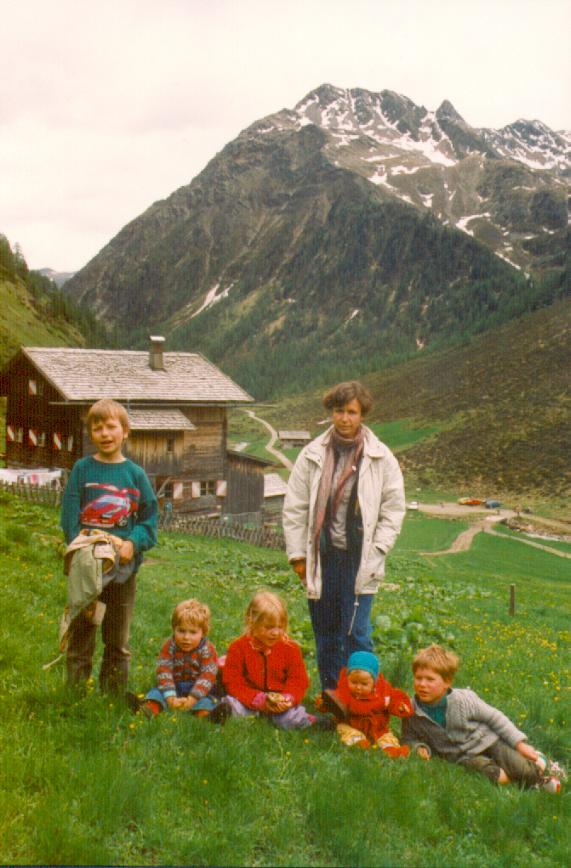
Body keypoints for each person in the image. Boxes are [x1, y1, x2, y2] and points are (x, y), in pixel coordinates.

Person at [282, 380, 405, 690]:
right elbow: (295, 507)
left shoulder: (381, 458)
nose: (345, 419)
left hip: (360, 560)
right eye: (339, 411)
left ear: (362, 414)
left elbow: (393, 510)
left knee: (357, 632)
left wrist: (378, 551)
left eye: (352, 412)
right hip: (323, 558)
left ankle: (366, 704)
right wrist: (298, 556)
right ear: (331, 413)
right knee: (325, 632)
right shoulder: (312, 454)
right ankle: (331, 698)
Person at [61, 399, 158, 693]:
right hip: (87, 568)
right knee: (82, 632)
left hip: (122, 570)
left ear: (125, 432)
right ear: (90, 433)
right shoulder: (82, 469)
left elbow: (149, 519)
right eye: (97, 427)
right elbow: (69, 517)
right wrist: (81, 550)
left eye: (111, 427)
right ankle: (75, 695)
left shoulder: (135, 475)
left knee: (117, 638)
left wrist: (133, 542)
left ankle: (112, 697)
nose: (104, 433)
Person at [402, 645, 564, 792]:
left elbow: (496, 718)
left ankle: (541, 767)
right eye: (418, 678)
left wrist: (519, 744)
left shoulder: (464, 700)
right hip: (463, 757)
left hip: (489, 742)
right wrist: (418, 747)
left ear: (447, 682)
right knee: (495, 775)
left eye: (430, 679)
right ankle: (523, 778)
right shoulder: (410, 709)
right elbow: (408, 737)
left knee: (522, 769)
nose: (422, 684)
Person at [216, 591, 333, 730]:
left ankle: (310, 722)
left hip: (280, 703)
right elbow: (233, 681)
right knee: (235, 706)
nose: (275, 632)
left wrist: (288, 699)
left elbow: (298, 680)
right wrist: (258, 699)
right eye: (269, 627)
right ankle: (224, 711)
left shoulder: (290, 649)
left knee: (288, 719)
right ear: (251, 622)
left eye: (280, 627)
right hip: (249, 700)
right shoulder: (239, 647)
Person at [127, 599, 219, 717]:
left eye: (193, 632)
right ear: (174, 629)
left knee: (207, 702)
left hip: (198, 689)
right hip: (173, 685)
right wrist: (170, 697)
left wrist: (192, 699)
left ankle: (207, 717)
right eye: (181, 631)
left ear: (203, 632)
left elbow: (207, 677)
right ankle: (147, 709)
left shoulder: (208, 650)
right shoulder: (169, 646)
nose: (186, 637)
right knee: (156, 694)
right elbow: (164, 671)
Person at [321, 650, 413, 754]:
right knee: (344, 729)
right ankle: (358, 742)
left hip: (377, 728)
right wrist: (325, 704)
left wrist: (400, 706)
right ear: (348, 678)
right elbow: (335, 703)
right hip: (352, 724)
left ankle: (391, 748)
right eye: (354, 682)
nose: (358, 687)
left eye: (364, 684)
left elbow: (394, 698)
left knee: (386, 736)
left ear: (374, 682)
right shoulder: (344, 691)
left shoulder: (383, 692)